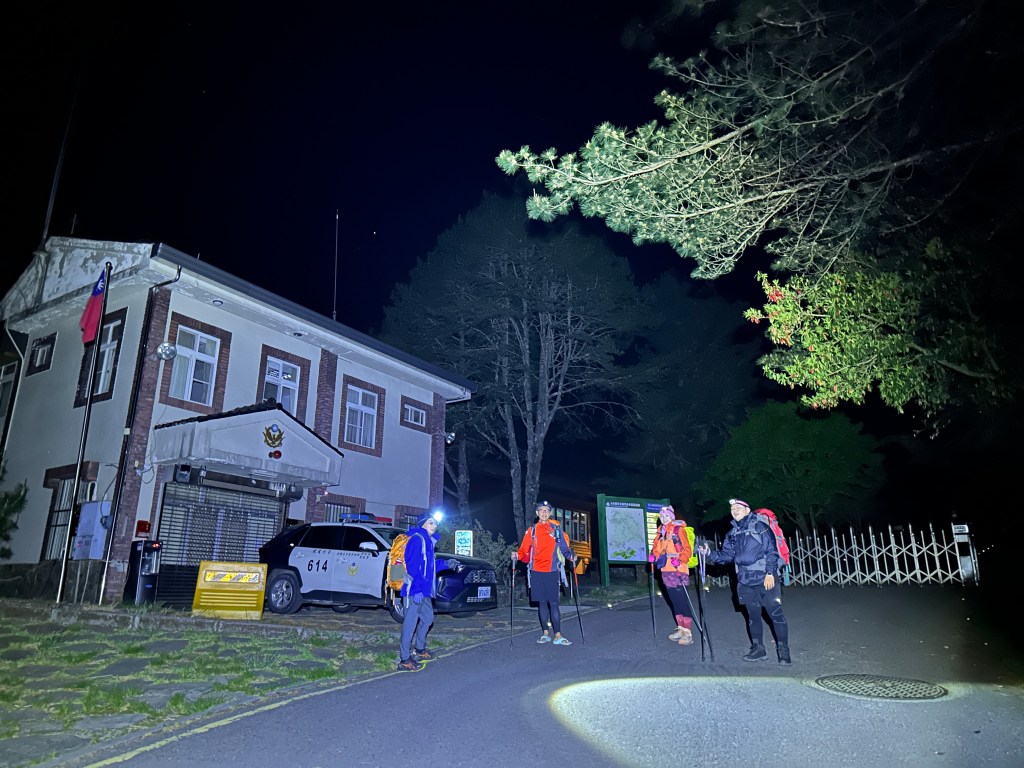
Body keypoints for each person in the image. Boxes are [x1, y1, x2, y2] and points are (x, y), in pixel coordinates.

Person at [699, 498, 791, 664]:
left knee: (775, 614)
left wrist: (770, 572)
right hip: (744, 579)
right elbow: (726, 556)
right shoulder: (732, 533)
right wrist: (708, 554)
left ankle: (783, 650)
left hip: (765, 577)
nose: (735, 510)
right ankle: (758, 649)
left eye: (738, 507)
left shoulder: (760, 526)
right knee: (753, 616)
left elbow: (771, 550)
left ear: (747, 510)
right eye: (732, 508)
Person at [398, 511, 458, 671]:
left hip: (424, 591)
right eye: (431, 522)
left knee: (428, 618)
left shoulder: (428, 542)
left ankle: (419, 649)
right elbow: (412, 567)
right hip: (413, 590)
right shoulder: (417, 540)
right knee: (410, 624)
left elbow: (429, 566)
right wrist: (416, 589)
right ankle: (404, 659)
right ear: (423, 524)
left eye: (435, 523)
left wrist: (446, 564)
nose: (434, 525)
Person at [512, 501, 577, 646]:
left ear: (550, 513)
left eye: (547, 510)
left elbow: (565, 549)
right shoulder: (532, 531)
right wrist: (516, 555)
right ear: (537, 513)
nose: (544, 513)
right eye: (541, 510)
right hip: (536, 572)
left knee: (553, 603)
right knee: (542, 603)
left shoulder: (556, 530)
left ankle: (558, 635)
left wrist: (571, 556)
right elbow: (523, 550)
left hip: (552, 571)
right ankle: (545, 634)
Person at [648, 505, 695, 646]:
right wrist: (653, 556)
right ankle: (681, 629)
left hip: (678, 569)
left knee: (681, 600)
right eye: (661, 516)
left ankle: (688, 633)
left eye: (666, 516)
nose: (664, 518)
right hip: (666, 570)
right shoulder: (660, 533)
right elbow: (656, 549)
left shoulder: (678, 530)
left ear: (672, 517)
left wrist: (680, 560)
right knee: (674, 600)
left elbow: (687, 550)